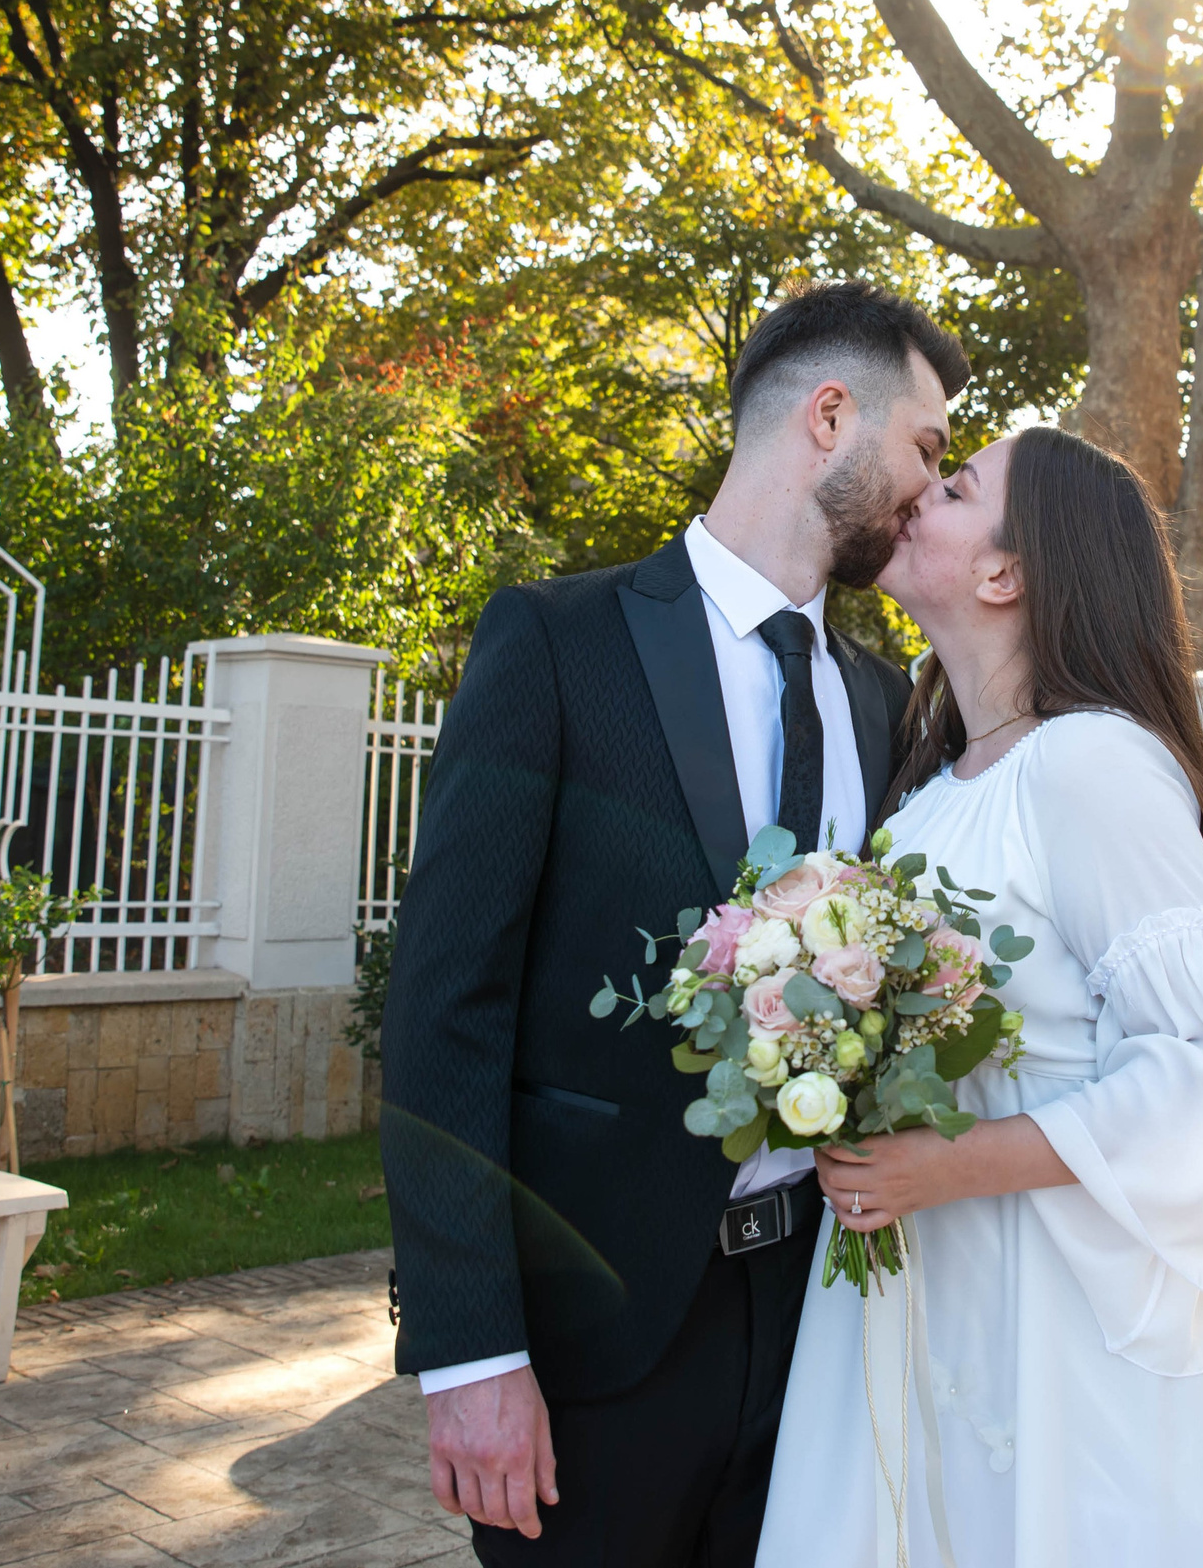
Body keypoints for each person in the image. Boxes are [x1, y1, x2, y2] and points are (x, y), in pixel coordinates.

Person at [379, 281, 970, 1565]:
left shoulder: (888, 705)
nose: (929, 493)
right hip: (597, 1341)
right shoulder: (555, 641)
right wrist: (468, 1348)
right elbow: (444, 1010)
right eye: (924, 449)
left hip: (822, 1318)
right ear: (829, 416)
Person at [755, 427, 1203, 1567]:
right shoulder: (930, 788)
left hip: (1056, 1306)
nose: (913, 498)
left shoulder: (1092, 765)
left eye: (953, 488)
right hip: (911, 1287)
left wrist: (948, 1166)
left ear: (1005, 573)